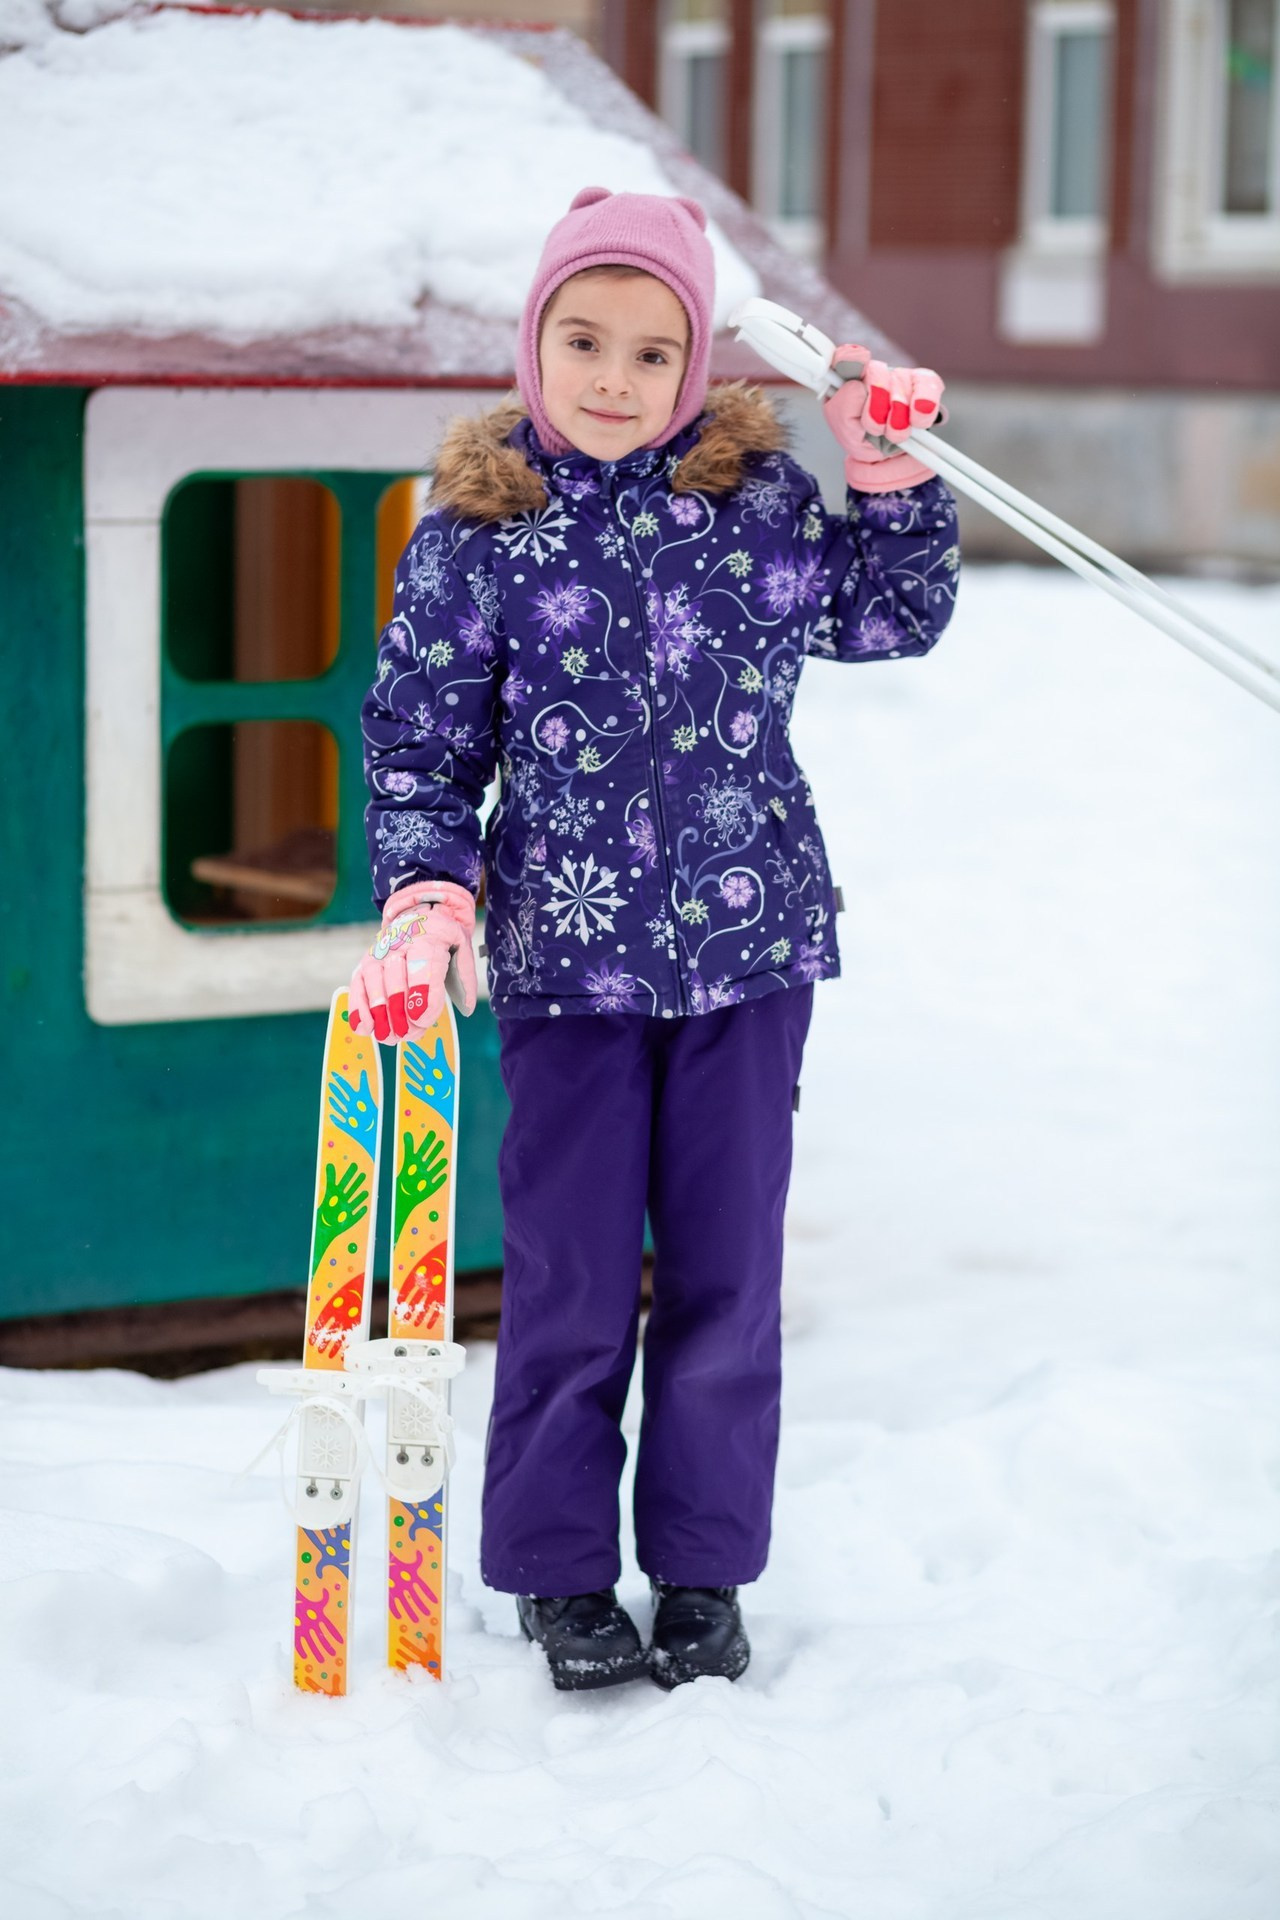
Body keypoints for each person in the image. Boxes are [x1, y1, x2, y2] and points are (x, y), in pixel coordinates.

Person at [348, 187, 959, 1691]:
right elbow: (419, 745)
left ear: (696, 364)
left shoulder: (752, 504)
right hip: (563, 966)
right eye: (582, 340)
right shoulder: (479, 532)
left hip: (750, 952)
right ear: (532, 343)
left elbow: (890, 619)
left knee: (725, 1275)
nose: (611, 378)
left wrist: (886, 476)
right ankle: (560, 1577)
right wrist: (430, 887)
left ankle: (700, 1569)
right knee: (565, 1277)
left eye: (648, 348)